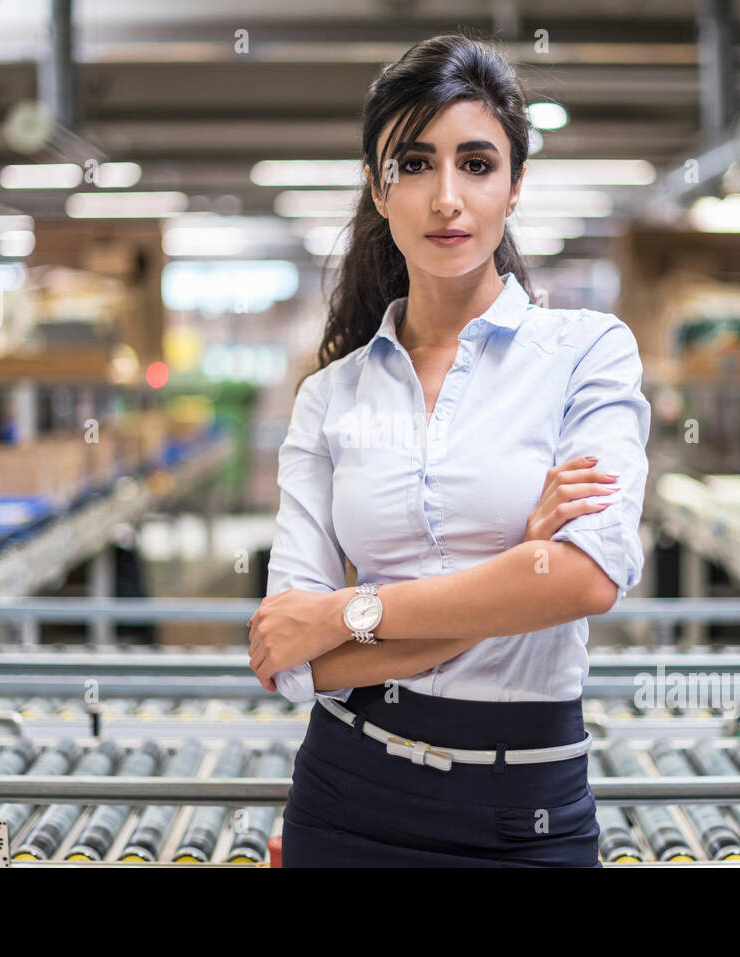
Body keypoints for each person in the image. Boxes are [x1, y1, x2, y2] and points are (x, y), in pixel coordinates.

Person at [248, 32, 650, 867]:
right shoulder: (330, 398)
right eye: (415, 164)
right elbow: (288, 653)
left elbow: (585, 578)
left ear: (514, 187)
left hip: (525, 810)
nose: (446, 199)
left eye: (476, 163)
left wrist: (349, 612)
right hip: (345, 800)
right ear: (377, 186)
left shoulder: (588, 353)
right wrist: (518, 565)